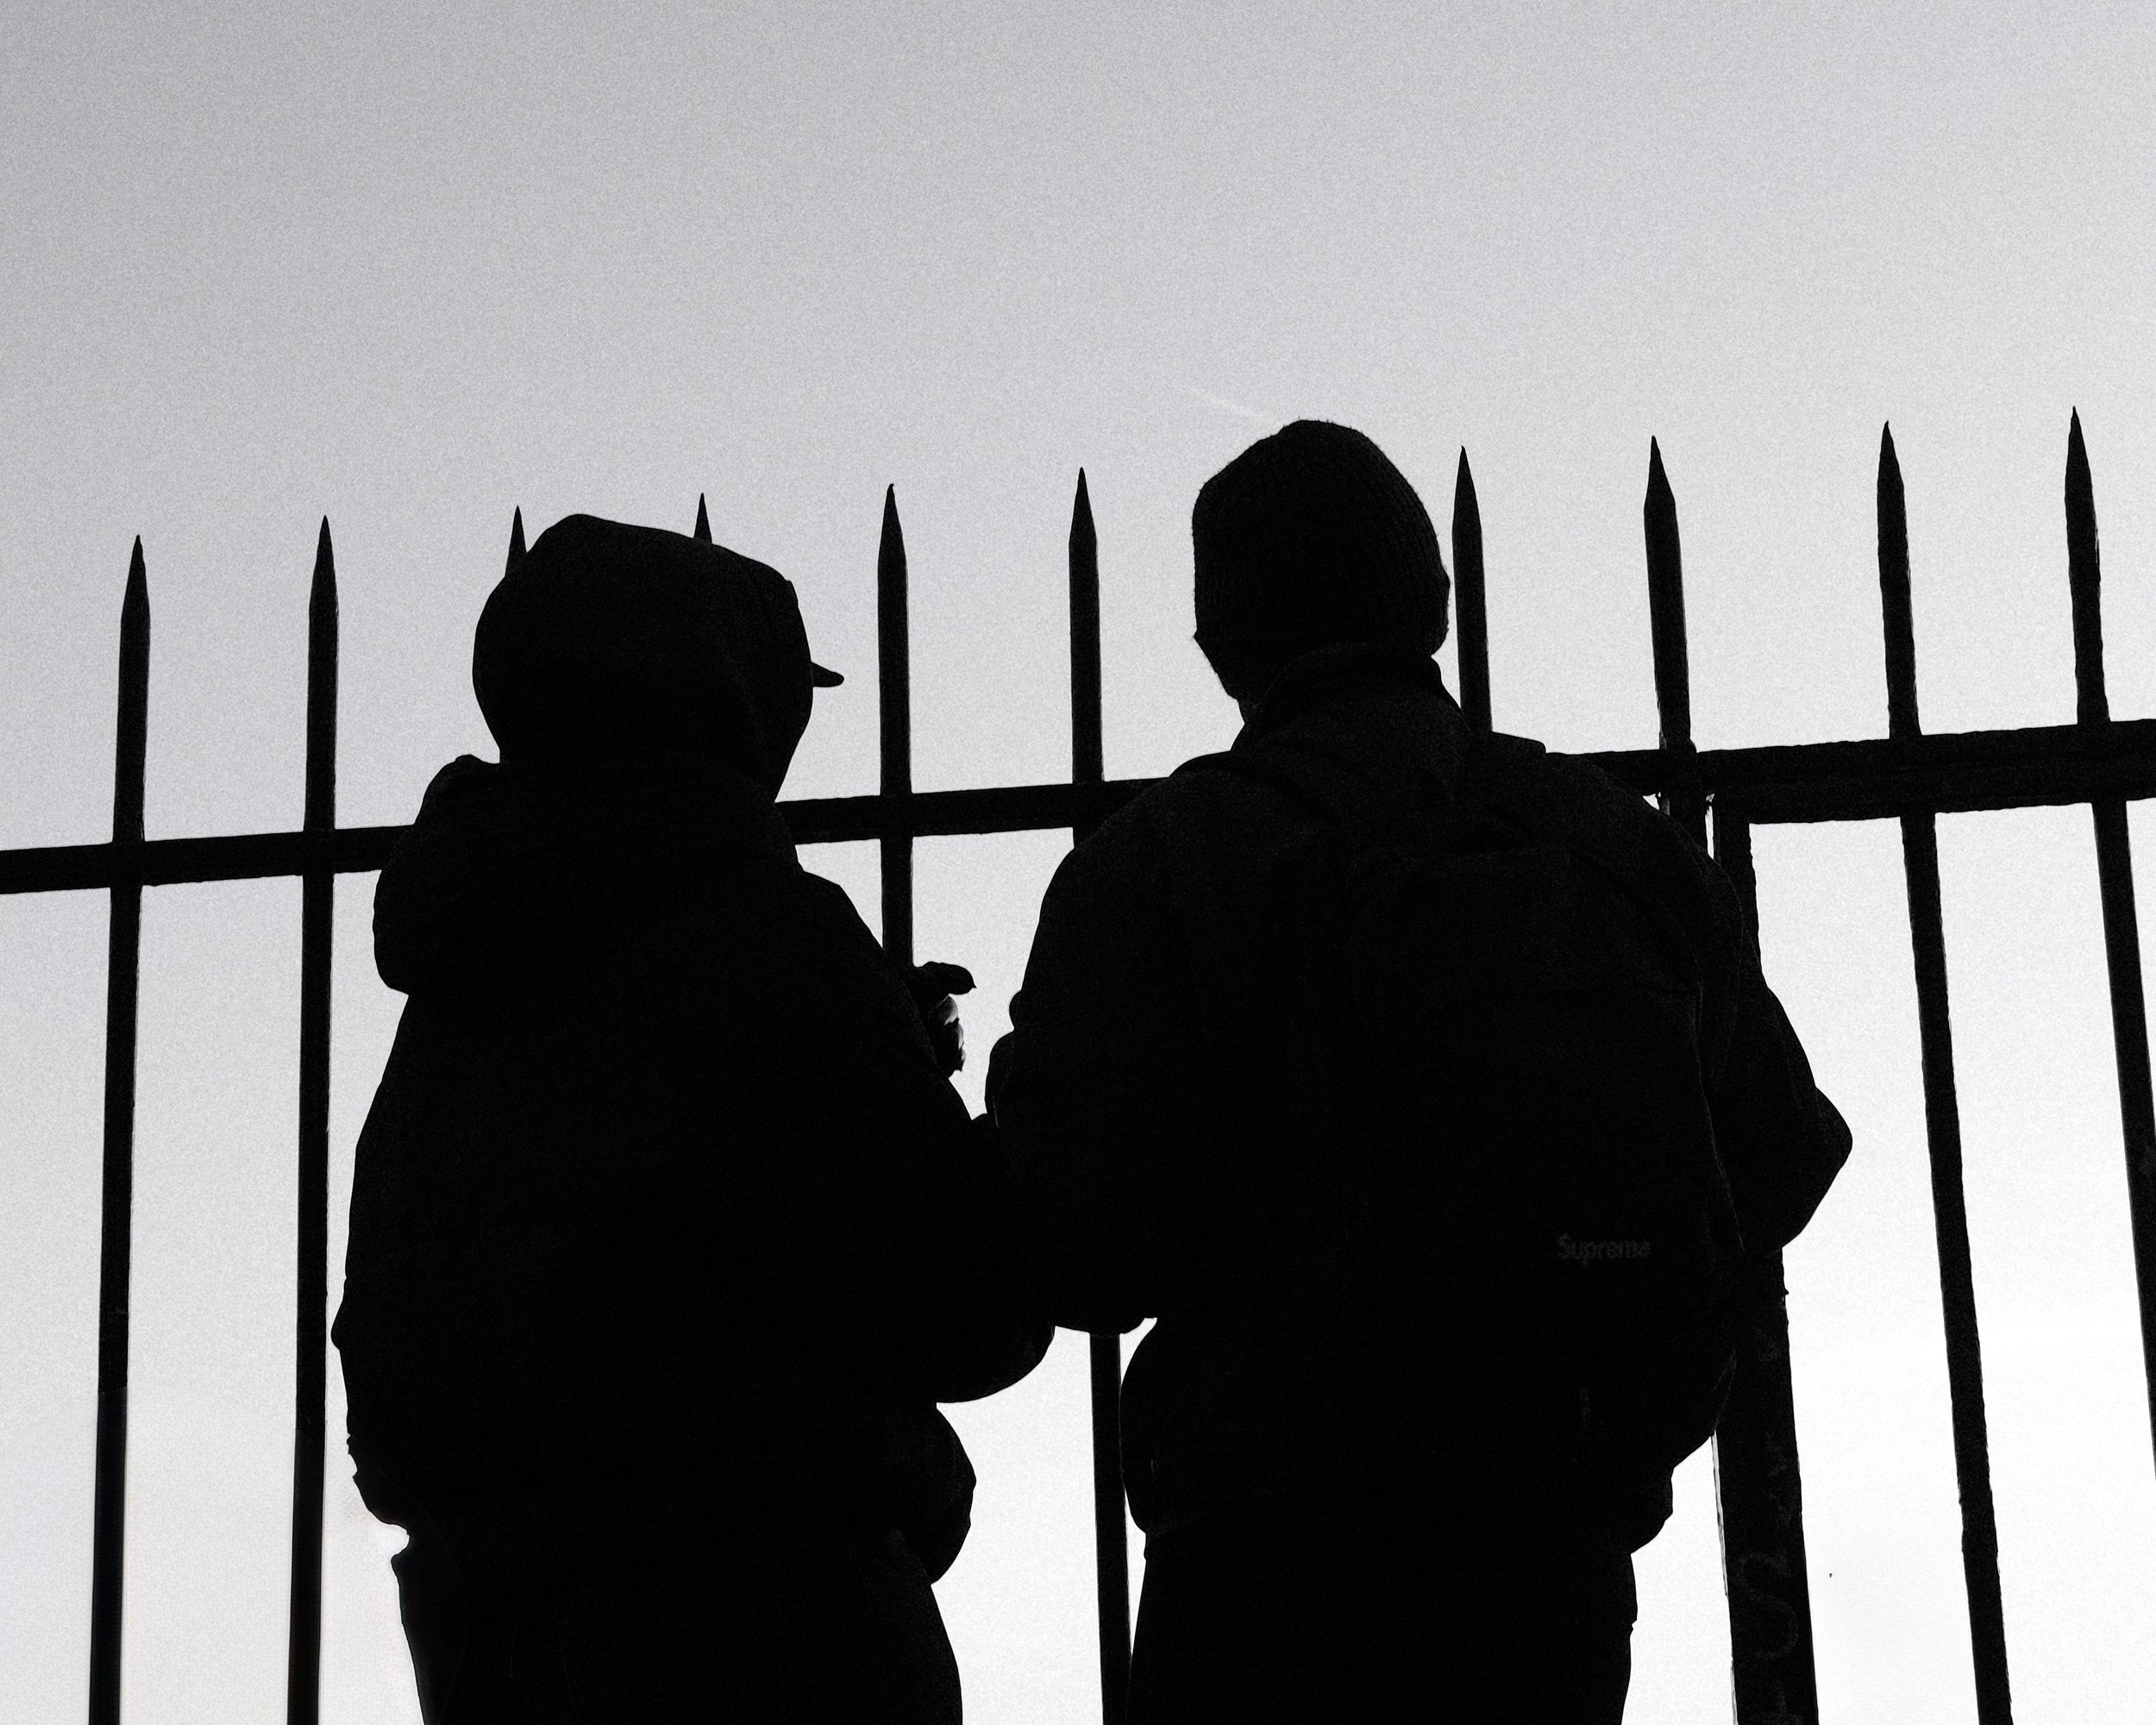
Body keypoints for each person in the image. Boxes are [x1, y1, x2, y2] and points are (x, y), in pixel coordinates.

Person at [987, 421, 1852, 1722]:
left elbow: (1074, 1244)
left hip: (1264, 1561)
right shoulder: (1608, 842)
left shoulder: (1167, 861)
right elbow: (1783, 1155)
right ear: (1436, 603)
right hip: (1547, 1550)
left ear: (1223, 638)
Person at [334, 515, 1050, 1724]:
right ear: (724, 699)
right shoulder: (749, 930)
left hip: (496, 1642)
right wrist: (1006, 1114)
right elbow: (965, 1304)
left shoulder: (476, 951)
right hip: (762, 1631)